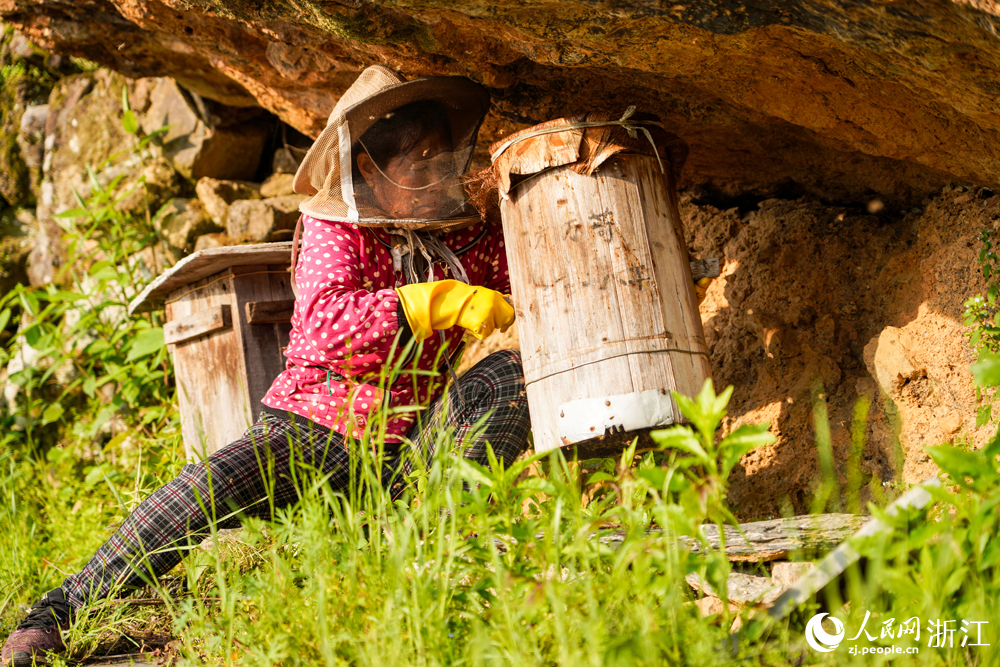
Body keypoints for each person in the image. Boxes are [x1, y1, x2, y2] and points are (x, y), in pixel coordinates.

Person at [1, 65, 529, 667]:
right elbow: (329, 324)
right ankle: (53, 615)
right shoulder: (334, 225)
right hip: (312, 427)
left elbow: (526, 287)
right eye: (422, 162)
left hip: (413, 442)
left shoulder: (470, 235)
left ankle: (431, 555)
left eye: (447, 157)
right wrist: (433, 300)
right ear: (369, 170)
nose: (441, 174)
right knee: (203, 492)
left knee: (510, 380)